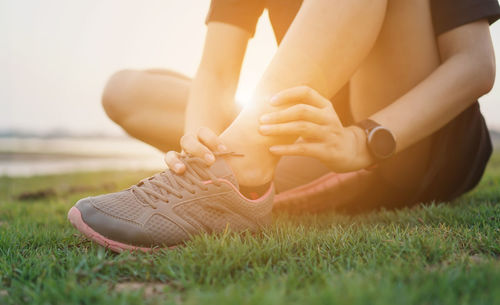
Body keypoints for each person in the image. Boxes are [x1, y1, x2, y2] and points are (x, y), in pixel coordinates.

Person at [68, 0, 499, 252]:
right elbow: (217, 71)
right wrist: (199, 139)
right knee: (124, 92)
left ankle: (246, 161)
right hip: (317, 134)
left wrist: (362, 140)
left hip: (412, 144)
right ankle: (230, 165)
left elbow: (476, 63)